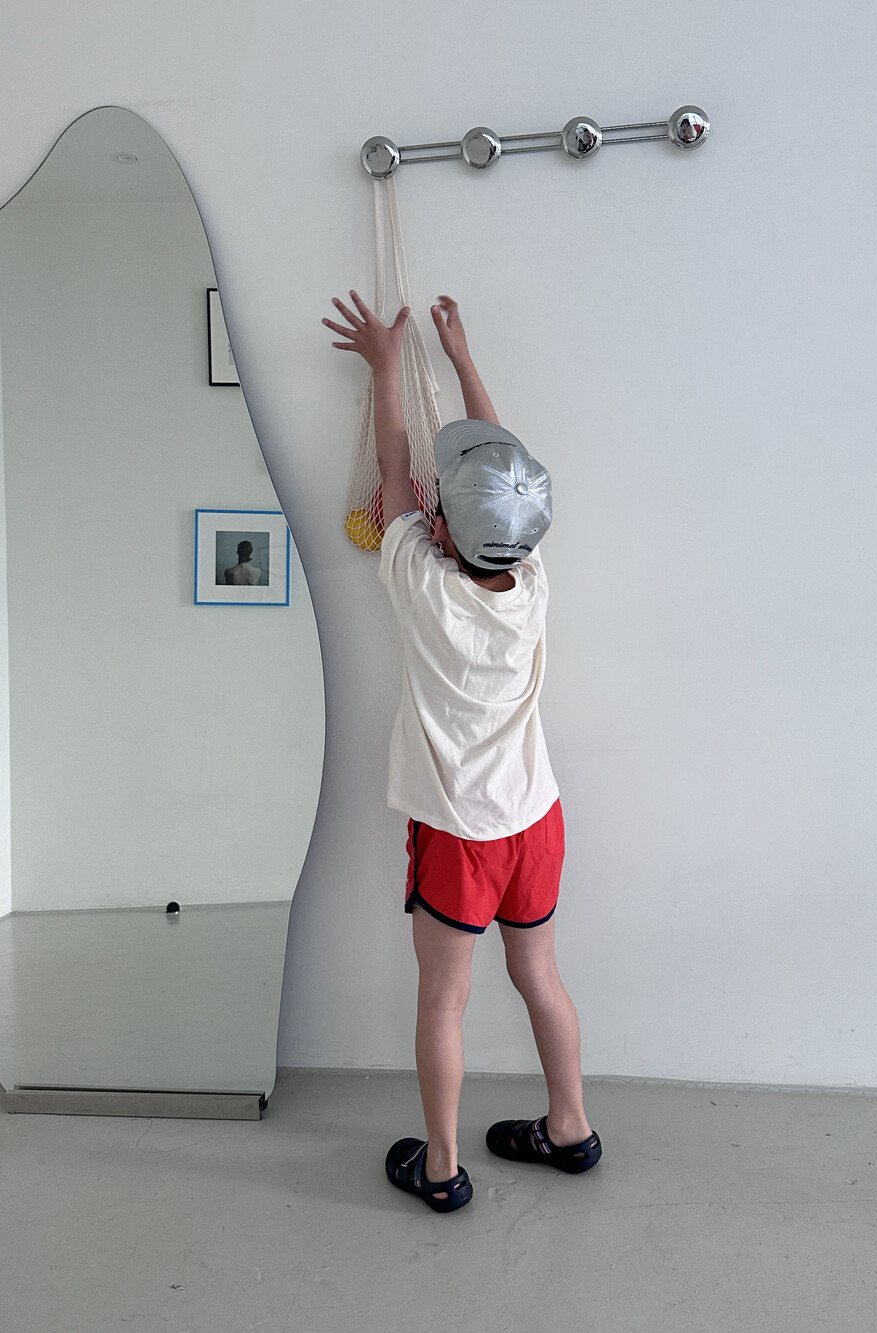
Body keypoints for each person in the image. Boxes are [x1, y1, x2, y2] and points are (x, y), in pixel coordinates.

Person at [323, 290, 601, 1213]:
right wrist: (462, 357)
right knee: (539, 975)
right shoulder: (532, 579)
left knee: (444, 998)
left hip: (458, 831)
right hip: (535, 819)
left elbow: (394, 470)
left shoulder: (419, 581)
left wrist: (385, 367)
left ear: (439, 530)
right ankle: (570, 1126)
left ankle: (440, 1166)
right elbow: (503, 469)